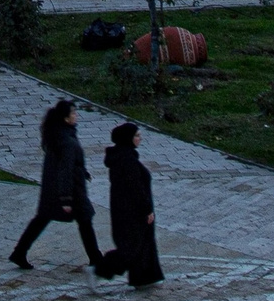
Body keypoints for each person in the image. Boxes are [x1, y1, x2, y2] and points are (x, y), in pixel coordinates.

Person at [10, 99, 105, 271]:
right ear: (65, 118)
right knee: (83, 220)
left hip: (56, 186)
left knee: (44, 218)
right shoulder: (66, 140)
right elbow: (65, 169)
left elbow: (68, 164)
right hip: (69, 189)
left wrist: (82, 171)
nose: (76, 116)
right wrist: (66, 199)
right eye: (73, 114)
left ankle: (19, 252)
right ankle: (96, 259)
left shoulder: (59, 134)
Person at [98, 122, 163, 288]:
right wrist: (147, 209)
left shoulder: (124, 156)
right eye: (136, 135)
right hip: (132, 211)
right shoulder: (127, 160)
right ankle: (101, 269)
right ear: (128, 138)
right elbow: (136, 187)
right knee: (133, 246)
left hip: (125, 209)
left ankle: (144, 277)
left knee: (141, 244)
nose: (140, 138)